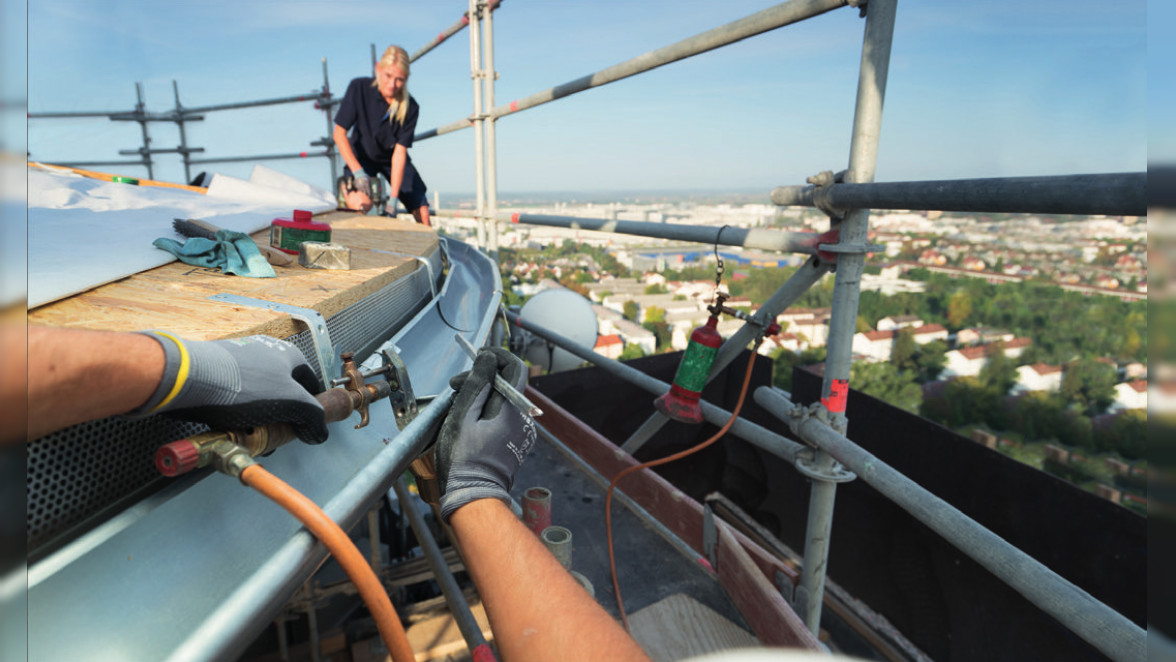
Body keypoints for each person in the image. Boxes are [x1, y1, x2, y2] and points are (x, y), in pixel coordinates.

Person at [333, 45, 432, 226]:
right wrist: (358, 172)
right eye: (388, 76)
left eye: (399, 80)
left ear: (407, 79)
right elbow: (339, 134)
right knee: (360, 204)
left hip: (391, 158)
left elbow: (399, 154)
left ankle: (430, 252)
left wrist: (393, 200)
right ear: (378, 69)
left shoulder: (411, 107)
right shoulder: (358, 88)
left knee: (423, 211)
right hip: (360, 158)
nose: (392, 85)